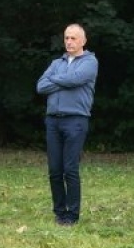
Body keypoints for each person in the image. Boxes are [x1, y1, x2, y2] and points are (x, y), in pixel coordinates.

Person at [35, 23, 97, 227]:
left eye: (73, 38)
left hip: (75, 120)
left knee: (70, 168)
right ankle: (59, 212)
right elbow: (41, 86)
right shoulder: (57, 62)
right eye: (67, 38)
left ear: (83, 41)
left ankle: (72, 214)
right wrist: (63, 79)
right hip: (53, 120)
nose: (69, 42)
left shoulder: (90, 62)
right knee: (54, 169)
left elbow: (77, 79)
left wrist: (56, 80)